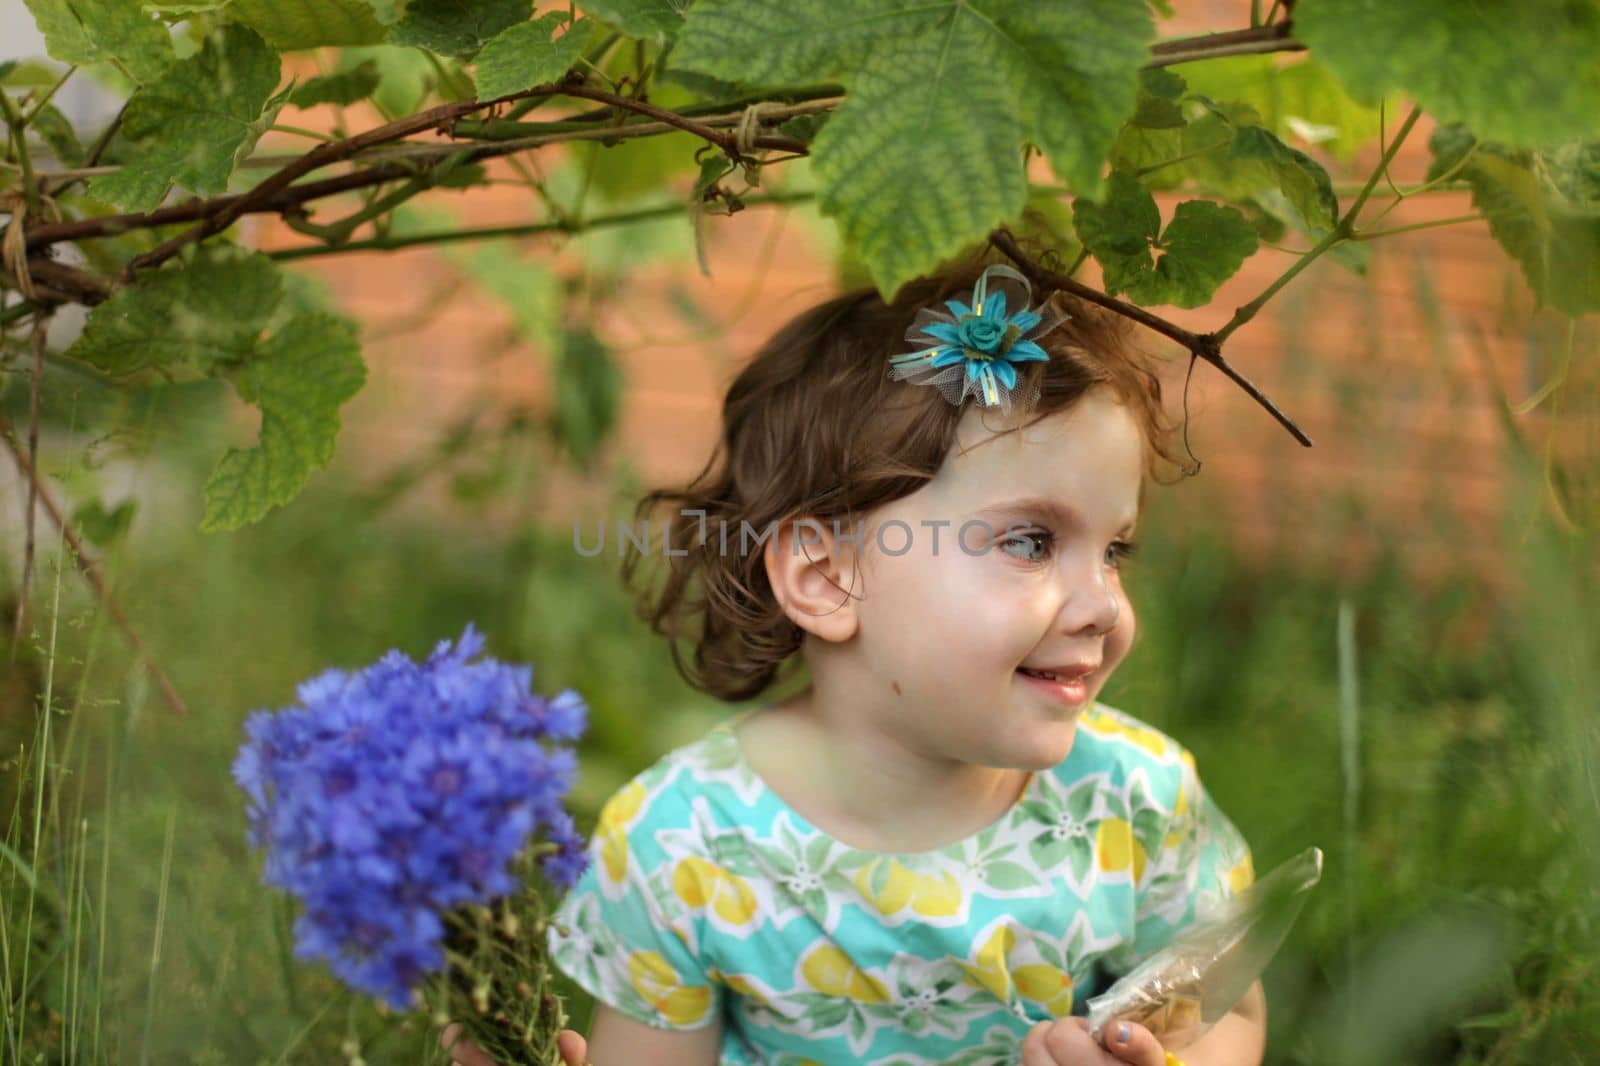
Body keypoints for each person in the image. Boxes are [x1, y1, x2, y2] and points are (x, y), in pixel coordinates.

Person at [442, 258, 1266, 1066]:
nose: (1104, 606)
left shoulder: (1136, 800)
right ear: (828, 578)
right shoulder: (684, 846)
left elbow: (1229, 1007)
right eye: (1030, 541)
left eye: (1115, 549)